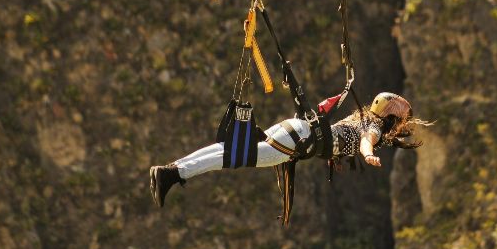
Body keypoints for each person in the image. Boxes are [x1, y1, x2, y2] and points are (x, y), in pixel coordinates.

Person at [149, 92, 429, 207]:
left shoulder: (359, 116)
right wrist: (368, 153)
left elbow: (326, 113)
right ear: (391, 117)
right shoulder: (374, 128)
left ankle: (171, 169)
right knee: (236, 157)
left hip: (295, 127)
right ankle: (174, 174)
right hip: (298, 142)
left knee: (232, 149)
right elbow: (368, 139)